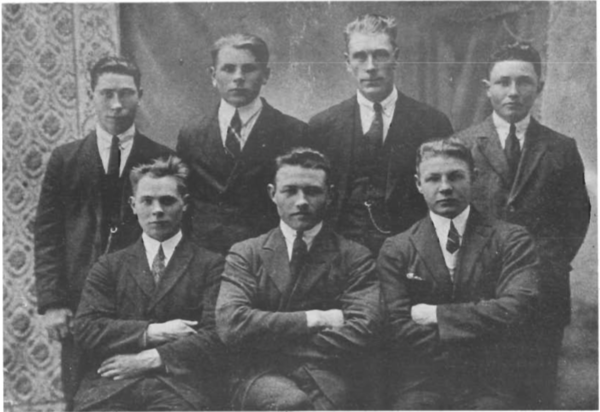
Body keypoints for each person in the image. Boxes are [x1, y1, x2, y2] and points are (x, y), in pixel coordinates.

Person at [453, 42, 591, 408]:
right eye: (503, 82)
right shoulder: (462, 145)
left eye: (524, 82)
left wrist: (543, 265)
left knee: (536, 394)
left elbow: (576, 217)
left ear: (539, 87)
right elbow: (451, 215)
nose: (513, 92)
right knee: (480, 393)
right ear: (487, 88)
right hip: (479, 291)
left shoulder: (561, 148)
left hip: (543, 294)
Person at [34, 56, 173, 410]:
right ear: (91, 94)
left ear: (140, 95)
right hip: (80, 302)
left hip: (142, 302)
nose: (116, 104)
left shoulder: (161, 157)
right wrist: (53, 302)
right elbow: (48, 234)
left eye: (125, 93)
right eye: (107, 93)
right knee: (81, 397)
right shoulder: (66, 159)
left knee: (143, 397)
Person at [378, 138, 540, 409]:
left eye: (455, 176)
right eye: (433, 179)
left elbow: (517, 308)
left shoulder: (512, 239)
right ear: (418, 184)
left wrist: (436, 315)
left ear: (473, 177)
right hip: (423, 382)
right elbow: (396, 325)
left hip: (490, 381)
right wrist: (475, 326)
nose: (445, 187)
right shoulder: (397, 248)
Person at [216, 147, 382, 410]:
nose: (302, 201)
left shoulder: (354, 256)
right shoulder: (247, 253)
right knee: (290, 404)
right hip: (258, 374)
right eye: (290, 191)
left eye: (312, 191)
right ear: (273, 194)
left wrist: (268, 341)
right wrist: (314, 319)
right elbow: (232, 324)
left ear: (330, 195)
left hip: (326, 373)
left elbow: (363, 329)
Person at [72, 156, 224, 411]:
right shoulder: (109, 266)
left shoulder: (210, 265)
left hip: (179, 386)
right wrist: (153, 332)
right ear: (133, 205)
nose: (157, 210)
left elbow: (218, 335)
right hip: (113, 383)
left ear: (185, 204)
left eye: (167, 201)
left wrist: (155, 358)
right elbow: (86, 329)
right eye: (147, 201)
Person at [308, 13, 454, 254]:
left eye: (380, 55)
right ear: (347, 62)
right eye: (360, 56)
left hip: (412, 255)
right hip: (339, 257)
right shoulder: (322, 127)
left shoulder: (432, 123)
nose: (371, 67)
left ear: (396, 57)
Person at [177, 33, 307, 255]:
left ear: (265, 75)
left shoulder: (293, 132)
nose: (238, 77)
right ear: (213, 75)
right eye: (228, 69)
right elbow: (184, 201)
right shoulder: (192, 133)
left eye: (248, 69)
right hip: (206, 254)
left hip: (267, 253)